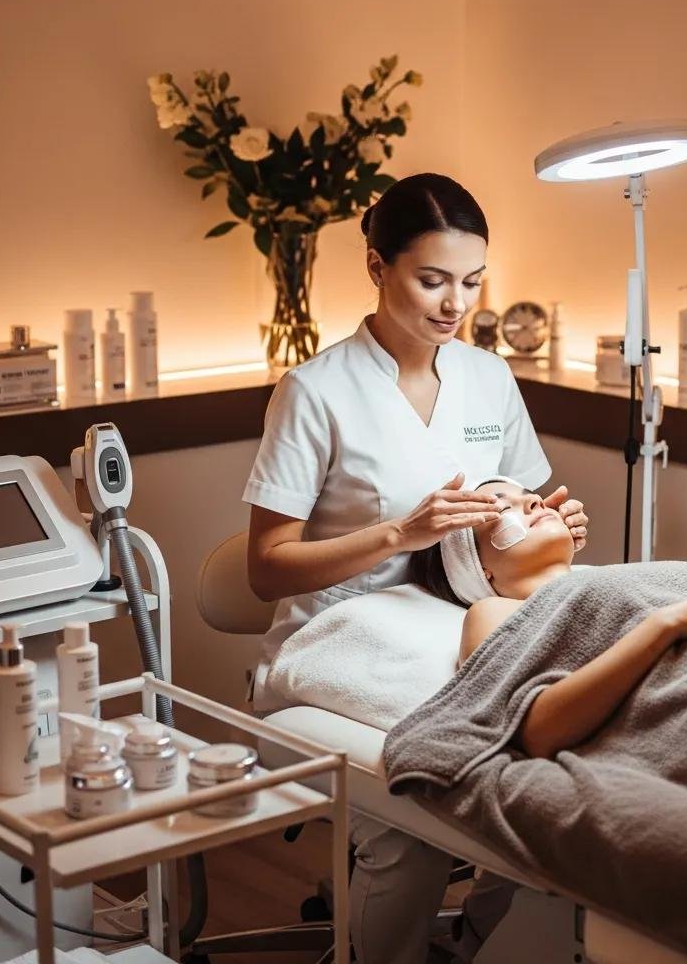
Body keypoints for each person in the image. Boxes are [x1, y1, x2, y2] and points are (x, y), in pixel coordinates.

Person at [241, 173, 590, 964]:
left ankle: (471, 943)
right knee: (420, 828)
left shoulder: (486, 377)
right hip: (338, 641)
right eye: (431, 280)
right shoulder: (314, 393)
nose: (453, 303)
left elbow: (517, 517)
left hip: (455, 629)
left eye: (470, 282)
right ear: (375, 266)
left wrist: (555, 528)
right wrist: (399, 533)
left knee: (549, 789)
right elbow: (266, 569)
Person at [411, 477, 687, 759]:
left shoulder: (633, 577)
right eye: (504, 509)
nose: (534, 501)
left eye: (526, 493)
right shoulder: (495, 611)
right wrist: (669, 625)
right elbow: (537, 732)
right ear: (479, 570)